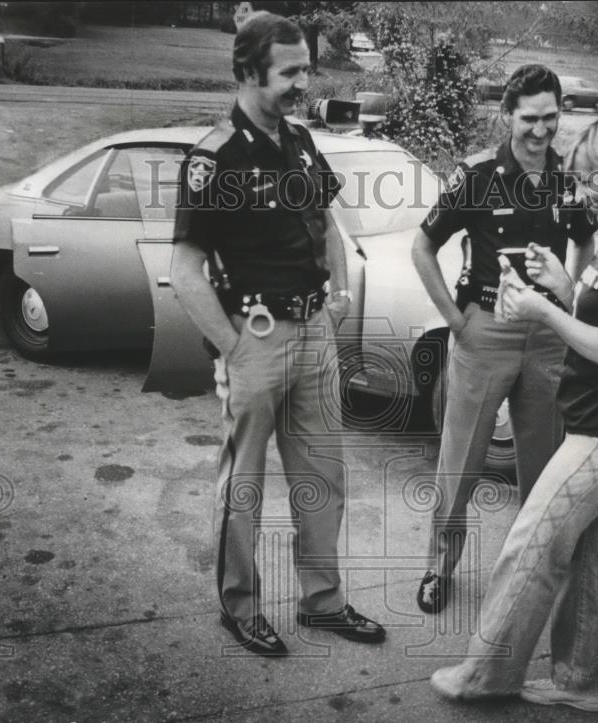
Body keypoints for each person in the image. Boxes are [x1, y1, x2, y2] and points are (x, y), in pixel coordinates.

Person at [428, 116, 598, 712]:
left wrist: (542, 313)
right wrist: (564, 287)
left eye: (588, 182)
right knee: (594, 561)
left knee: (530, 545)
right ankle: (583, 683)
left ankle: (485, 675)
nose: (578, 195)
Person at [170, 10, 384, 658]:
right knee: (243, 486)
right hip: (256, 336)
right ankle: (241, 605)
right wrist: (236, 349)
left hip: (315, 333)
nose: (305, 82)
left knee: (323, 478)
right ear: (247, 71)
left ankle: (323, 602)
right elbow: (184, 270)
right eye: (290, 72)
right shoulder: (216, 159)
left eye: (307, 68)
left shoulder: (299, 142)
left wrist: (339, 299)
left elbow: (328, 225)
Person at [411, 64, 598, 614]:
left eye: (551, 118)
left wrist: (570, 295)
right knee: (461, 463)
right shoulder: (475, 175)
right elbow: (423, 249)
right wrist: (455, 319)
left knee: (542, 465)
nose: (541, 131)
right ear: (507, 115)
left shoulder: (571, 179)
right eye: (529, 119)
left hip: (546, 338)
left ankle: (530, 574)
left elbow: (584, 243)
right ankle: (437, 568)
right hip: (485, 333)